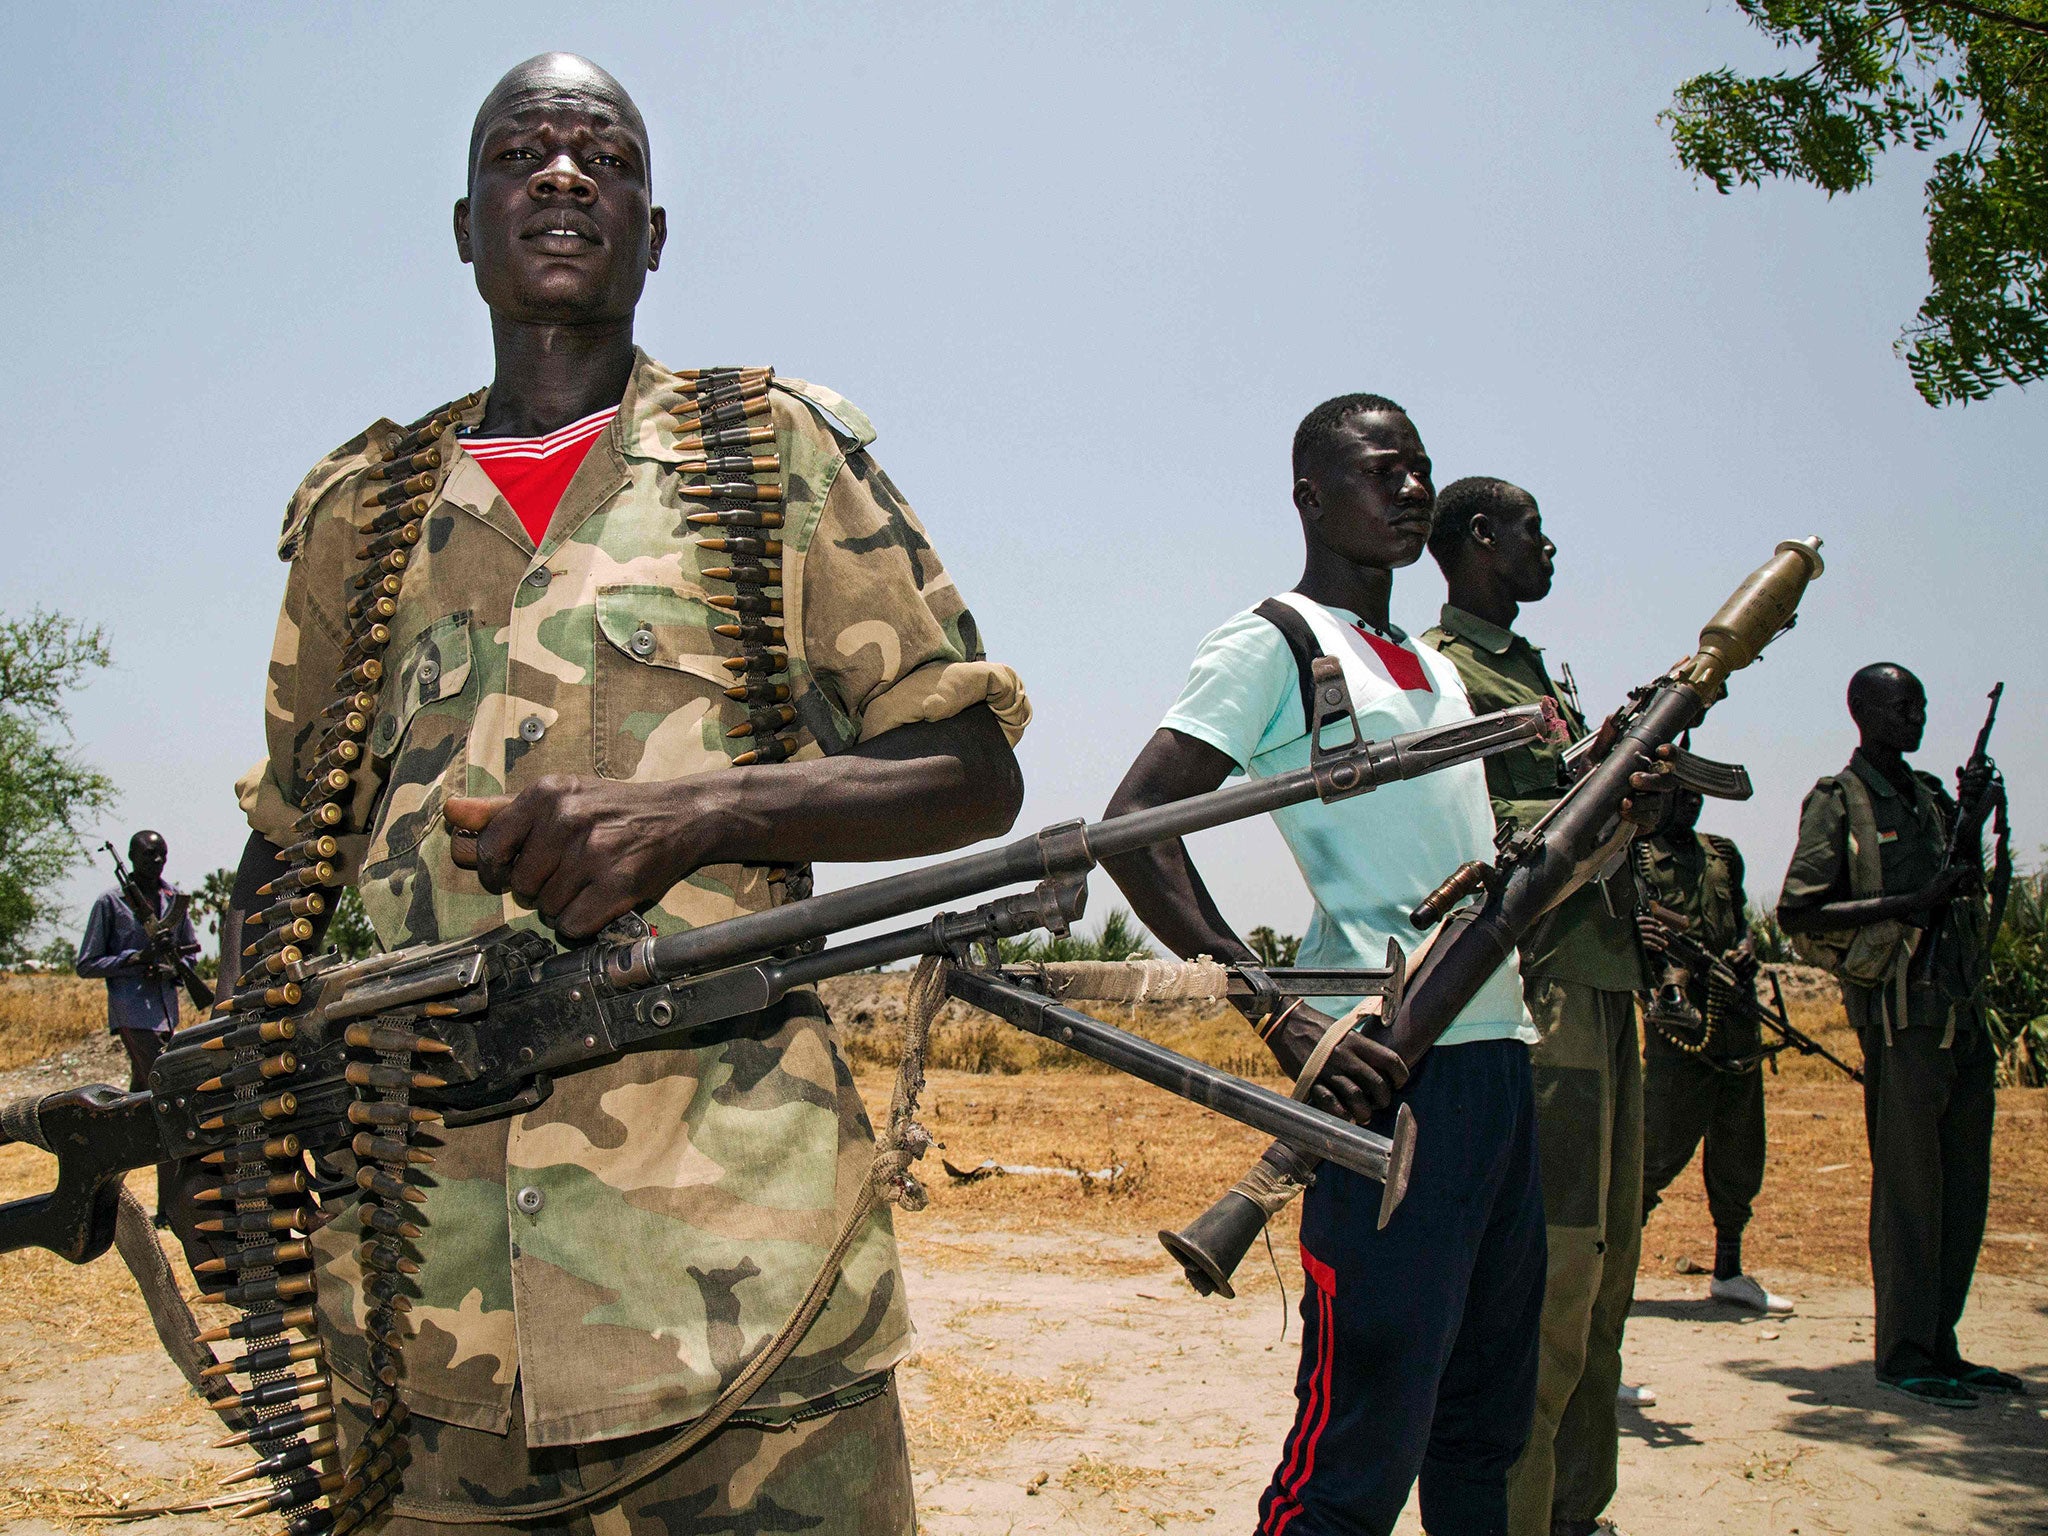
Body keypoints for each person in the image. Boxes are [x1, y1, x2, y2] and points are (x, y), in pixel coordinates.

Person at [227, 53, 1029, 1531]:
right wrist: (236, 1131)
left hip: (743, 1294)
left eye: (603, 157)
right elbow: (284, 847)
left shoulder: (769, 450)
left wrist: (711, 812)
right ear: (462, 226)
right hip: (417, 1296)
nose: (561, 175)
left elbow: (972, 771)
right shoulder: (360, 512)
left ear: (653, 234)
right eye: (520, 155)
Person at [1102, 394, 1546, 1536]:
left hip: (1498, 1067)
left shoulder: (1434, 669)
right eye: (1381, 471)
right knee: (1356, 1451)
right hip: (1386, 1080)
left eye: (1420, 472)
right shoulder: (1276, 641)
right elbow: (1135, 825)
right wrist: (1278, 1018)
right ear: (1308, 496)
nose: (1410, 491)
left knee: (1480, 1432)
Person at [1421, 477, 1651, 1536]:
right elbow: (1457, 824)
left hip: (1600, 987)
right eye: (1529, 532)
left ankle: (1574, 1509)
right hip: (1539, 992)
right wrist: (1591, 791)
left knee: (1606, 1273)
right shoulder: (1445, 670)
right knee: (1549, 1283)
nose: (1546, 548)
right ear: (1478, 540)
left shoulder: (1524, 672)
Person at [1777, 663, 2020, 1409]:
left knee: (1963, 1191)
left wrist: (1976, 813)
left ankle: (1941, 1343)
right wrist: (1913, 902)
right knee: (1912, 1194)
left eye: (1920, 703)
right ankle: (1905, 1351)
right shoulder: (1839, 801)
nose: (1915, 715)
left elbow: (1963, 878)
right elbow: (1800, 910)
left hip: (1959, 1010)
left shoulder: (1927, 797)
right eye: (1900, 703)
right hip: (1901, 1016)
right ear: (1863, 711)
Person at [1635, 788, 1794, 1316]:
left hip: (1734, 1014)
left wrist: (1746, 948)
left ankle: (1729, 1269)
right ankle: (1615, 1273)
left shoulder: (1721, 853)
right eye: (1681, 796)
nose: (1691, 806)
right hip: (1680, 1023)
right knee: (1653, 1155)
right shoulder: (1636, 855)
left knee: (1739, 1148)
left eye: (1697, 797)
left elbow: (1741, 920)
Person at [75, 830, 197, 1091]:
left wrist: (169, 971)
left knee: (145, 1084)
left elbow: (190, 953)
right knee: (158, 1080)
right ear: (131, 856)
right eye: (149, 854)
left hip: (167, 1011)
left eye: (162, 854)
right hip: (131, 1010)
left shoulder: (173, 897)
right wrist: (134, 960)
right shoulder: (110, 902)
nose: (157, 860)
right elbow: (86, 964)